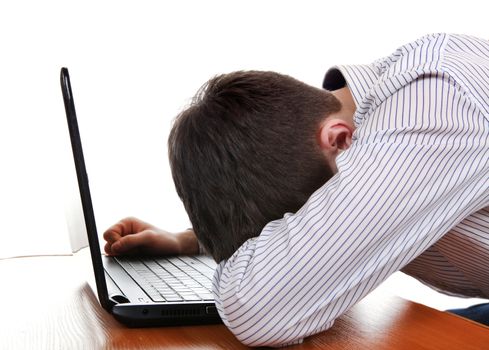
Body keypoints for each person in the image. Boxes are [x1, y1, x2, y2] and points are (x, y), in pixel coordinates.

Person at [104, 33, 489, 347]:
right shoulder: (348, 132)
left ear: (339, 139)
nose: (310, 225)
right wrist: (189, 241)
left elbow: (259, 308)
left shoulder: (434, 112)